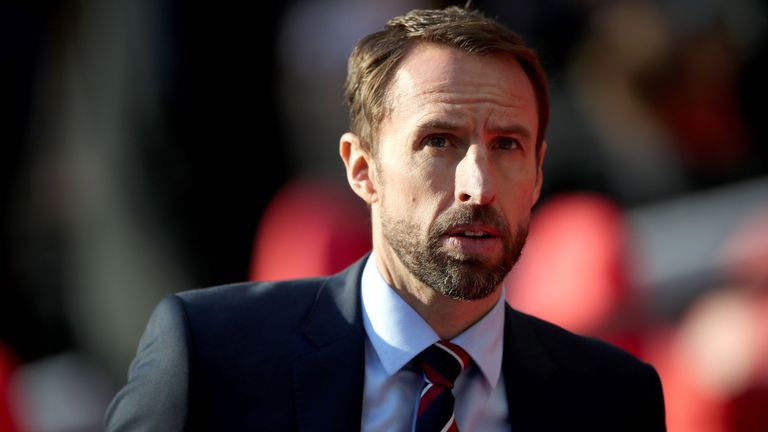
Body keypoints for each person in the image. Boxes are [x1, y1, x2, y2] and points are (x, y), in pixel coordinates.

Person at [105, 6, 666, 431]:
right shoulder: (210, 357)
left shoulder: (614, 398)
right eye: (439, 141)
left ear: (539, 174)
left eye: (507, 146)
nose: (478, 185)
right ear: (362, 168)